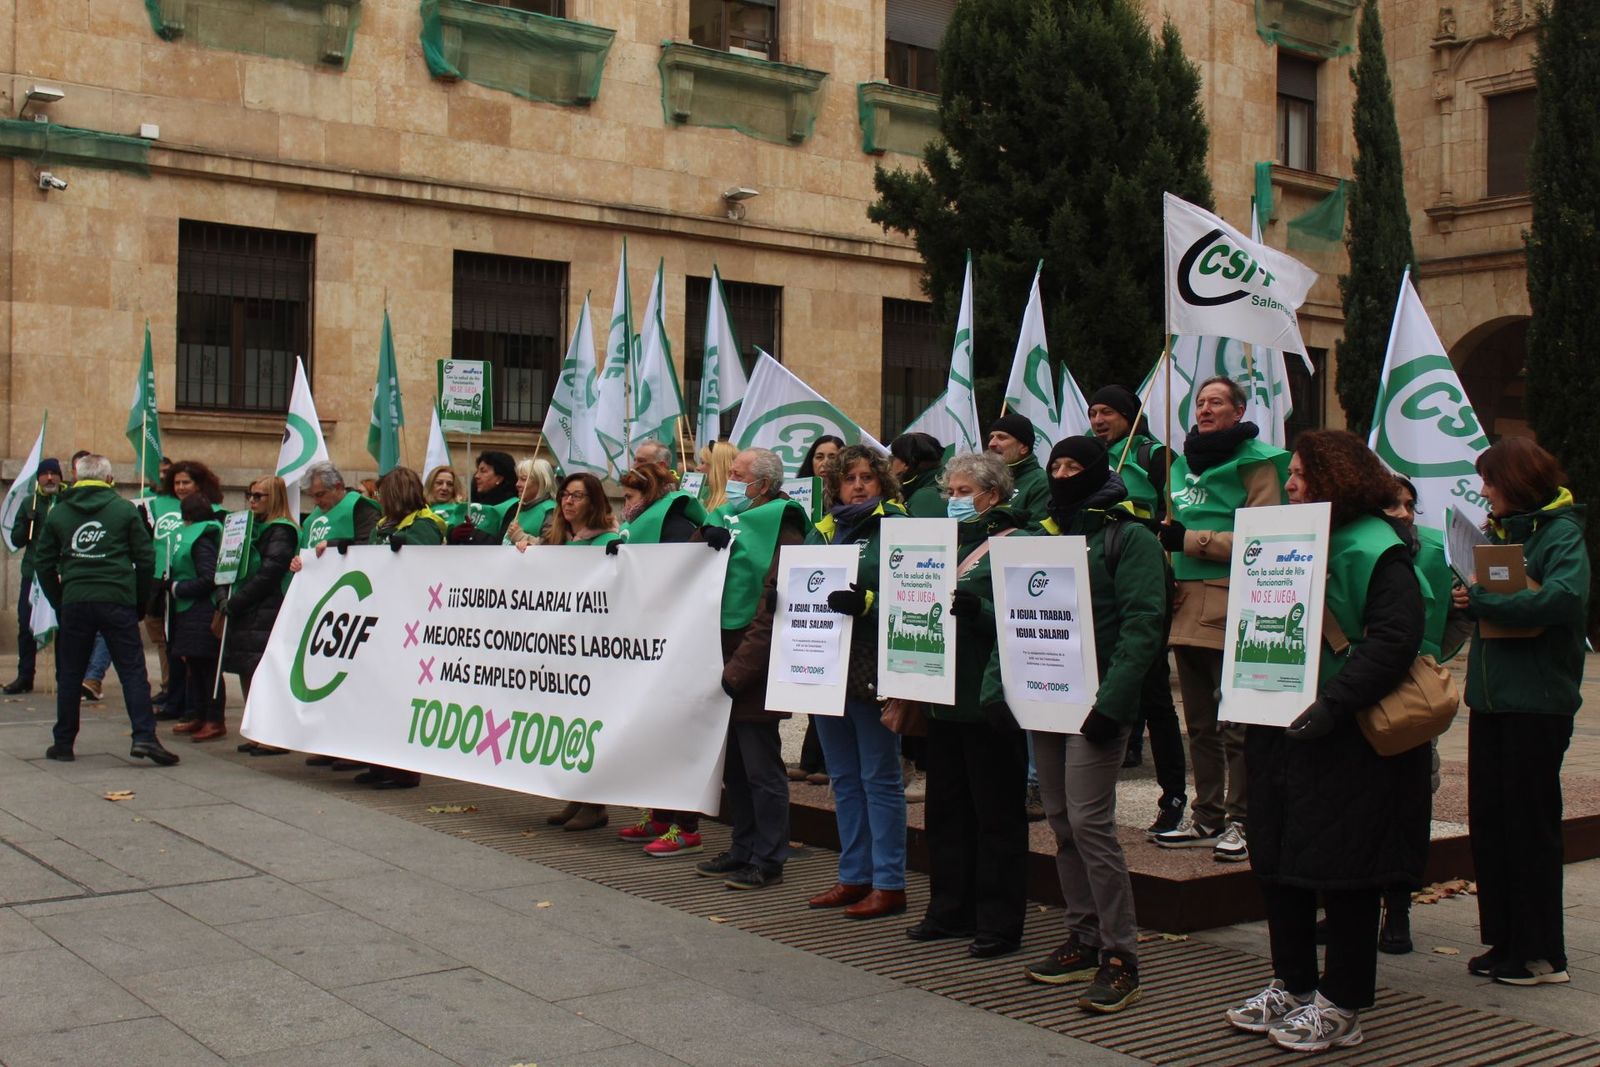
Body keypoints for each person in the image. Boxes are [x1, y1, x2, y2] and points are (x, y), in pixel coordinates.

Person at [1228, 430, 1429, 1052]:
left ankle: (1342, 1002)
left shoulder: (1377, 548)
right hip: (1277, 723)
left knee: (1345, 871)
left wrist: (1336, 704)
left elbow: (1395, 640)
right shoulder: (1284, 538)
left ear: (1334, 477)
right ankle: (1291, 982)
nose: (1288, 484)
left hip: (1345, 737)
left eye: (1298, 474)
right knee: (1279, 861)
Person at [1010, 436, 1166, 1013]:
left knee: (1091, 824)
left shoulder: (1132, 537)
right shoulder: (1044, 533)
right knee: (1060, 820)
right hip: (1045, 698)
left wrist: (1115, 703)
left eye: (1076, 465)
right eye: (1056, 465)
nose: (1063, 473)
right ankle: (1083, 935)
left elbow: (1144, 625)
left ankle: (1121, 956)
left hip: (1097, 702)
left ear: (1098, 470)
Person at [1454, 437, 1589, 987]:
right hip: (1490, 700)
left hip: (1536, 705)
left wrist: (1489, 602)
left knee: (1529, 828)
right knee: (1492, 825)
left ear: (1516, 482)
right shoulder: (1504, 533)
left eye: (1490, 480)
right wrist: (1470, 594)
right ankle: (1505, 940)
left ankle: (1541, 955)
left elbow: (1564, 598)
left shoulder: (1562, 534)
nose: (1484, 490)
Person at [1153, 376, 1288, 863]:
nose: (1205, 409)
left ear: (1238, 410)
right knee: (1201, 722)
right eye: (1201, 402)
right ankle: (1206, 813)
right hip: (1185, 603)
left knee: (1235, 722)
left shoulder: (1258, 462)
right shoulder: (1182, 464)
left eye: (1216, 403)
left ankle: (1242, 819)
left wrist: (1191, 541)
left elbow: (1263, 536)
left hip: (1232, 601)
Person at [909, 452, 1028, 958]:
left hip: (988, 701)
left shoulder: (1018, 544)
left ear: (992, 494)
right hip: (943, 699)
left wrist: (981, 613)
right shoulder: (943, 543)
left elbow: (1032, 619)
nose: (954, 501)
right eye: (949, 493)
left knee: (996, 815)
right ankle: (948, 907)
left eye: (963, 493)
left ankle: (998, 921)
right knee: (946, 811)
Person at [694, 449, 809, 890]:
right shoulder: (725, 518)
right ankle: (742, 847)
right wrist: (702, 537)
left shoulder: (786, 524)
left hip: (754, 662)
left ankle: (769, 857)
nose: (732, 482)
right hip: (721, 655)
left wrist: (738, 670)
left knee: (761, 767)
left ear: (761, 485)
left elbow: (771, 605)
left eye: (739, 476)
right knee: (735, 767)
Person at [808, 446, 910, 919]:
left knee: (880, 779)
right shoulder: (824, 531)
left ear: (883, 482)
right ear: (835, 486)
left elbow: (916, 597)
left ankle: (889, 883)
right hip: (824, 668)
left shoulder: (898, 528)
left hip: (873, 667)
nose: (859, 485)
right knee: (844, 779)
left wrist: (867, 602)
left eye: (868, 477)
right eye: (849, 478)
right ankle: (854, 876)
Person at [1086, 383, 1188, 834]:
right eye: (1092, 412)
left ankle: (1173, 794)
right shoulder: (1089, 455)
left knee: (1152, 687)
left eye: (1107, 411)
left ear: (1129, 415)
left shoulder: (1155, 454)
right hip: (1101, 576)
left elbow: (1179, 508)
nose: (1098, 419)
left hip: (1146, 570)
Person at [32, 454, 178, 766]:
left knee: (70, 674)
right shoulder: (124, 510)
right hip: (117, 599)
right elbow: (146, 559)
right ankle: (144, 737)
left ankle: (63, 742)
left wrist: (61, 598)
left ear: (75, 477)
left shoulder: (59, 513)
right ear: (109, 479)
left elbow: (42, 563)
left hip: (76, 599)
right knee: (132, 672)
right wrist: (138, 600)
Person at [613, 460, 714, 856]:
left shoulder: (673, 526)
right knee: (653, 732)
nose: (626, 505)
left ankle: (685, 826)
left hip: (674, 647)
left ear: (649, 495)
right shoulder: (646, 524)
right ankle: (659, 815)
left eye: (630, 497)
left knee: (674, 735)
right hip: (649, 646)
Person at [530, 472, 618, 831]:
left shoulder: (609, 542)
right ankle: (578, 796)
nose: (568, 502)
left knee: (589, 723)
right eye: (565, 495)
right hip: (562, 649)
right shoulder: (559, 542)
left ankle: (595, 803)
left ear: (594, 502)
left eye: (577, 496)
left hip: (591, 649)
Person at [353, 467, 446, 790]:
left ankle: (404, 770)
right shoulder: (383, 525)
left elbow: (425, 560)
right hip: (382, 615)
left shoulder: (426, 524)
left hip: (411, 620)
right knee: (375, 693)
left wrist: (403, 543)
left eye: (381, 493)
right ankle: (378, 762)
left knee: (399, 695)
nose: (377, 499)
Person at [226, 476, 299, 757]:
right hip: (251, 608)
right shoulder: (255, 528)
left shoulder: (281, 530)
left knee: (264, 672)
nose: (252, 500)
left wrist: (237, 602)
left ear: (275, 499)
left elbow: (270, 573)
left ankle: (273, 734)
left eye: (259, 496)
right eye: (250, 495)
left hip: (267, 608)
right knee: (248, 670)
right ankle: (256, 729)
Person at [791, 435, 846, 783]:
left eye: (831, 457)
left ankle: (827, 762)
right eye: (818, 456)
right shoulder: (799, 498)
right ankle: (811, 758)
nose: (823, 463)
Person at [165, 493, 226, 741]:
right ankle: (199, 715)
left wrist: (177, 587)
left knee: (208, 667)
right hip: (189, 611)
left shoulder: (202, 539)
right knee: (195, 666)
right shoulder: (196, 534)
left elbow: (209, 577)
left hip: (200, 609)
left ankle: (214, 719)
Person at [4, 457, 62, 694]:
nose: (49, 478)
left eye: (53, 473)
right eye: (44, 474)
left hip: (60, 573)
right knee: (25, 624)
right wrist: (26, 523)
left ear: (60, 476)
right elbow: (16, 540)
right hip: (33, 572)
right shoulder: (30, 502)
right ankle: (25, 675)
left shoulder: (67, 501)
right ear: (38, 478)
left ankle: (65, 677)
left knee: (63, 627)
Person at [986, 413, 1050, 521]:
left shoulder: (1041, 482)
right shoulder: (985, 481)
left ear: (1024, 448)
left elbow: (1036, 531)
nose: (991, 443)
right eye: (991, 437)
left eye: (1001, 437)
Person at [460, 450, 520, 542]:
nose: (476, 476)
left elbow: (503, 541)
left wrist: (473, 534)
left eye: (483, 471)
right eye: (477, 471)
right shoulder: (472, 503)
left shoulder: (513, 506)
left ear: (499, 478)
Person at [889, 432, 946, 518]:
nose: (889, 464)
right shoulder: (933, 485)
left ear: (905, 464)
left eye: (892, 458)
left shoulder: (927, 497)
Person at [506, 458, 557, 546]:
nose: (517, 484)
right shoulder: (520, 507)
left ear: (541, 482)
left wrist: (520, 536)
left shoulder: (550, 510)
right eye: (518, 479)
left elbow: (550, 546)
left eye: (523, 479)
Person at [699, 441, 738, 513]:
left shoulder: (736, 502)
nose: (698, 468)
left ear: (717, 466)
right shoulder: (703, 492)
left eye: (702, 463)